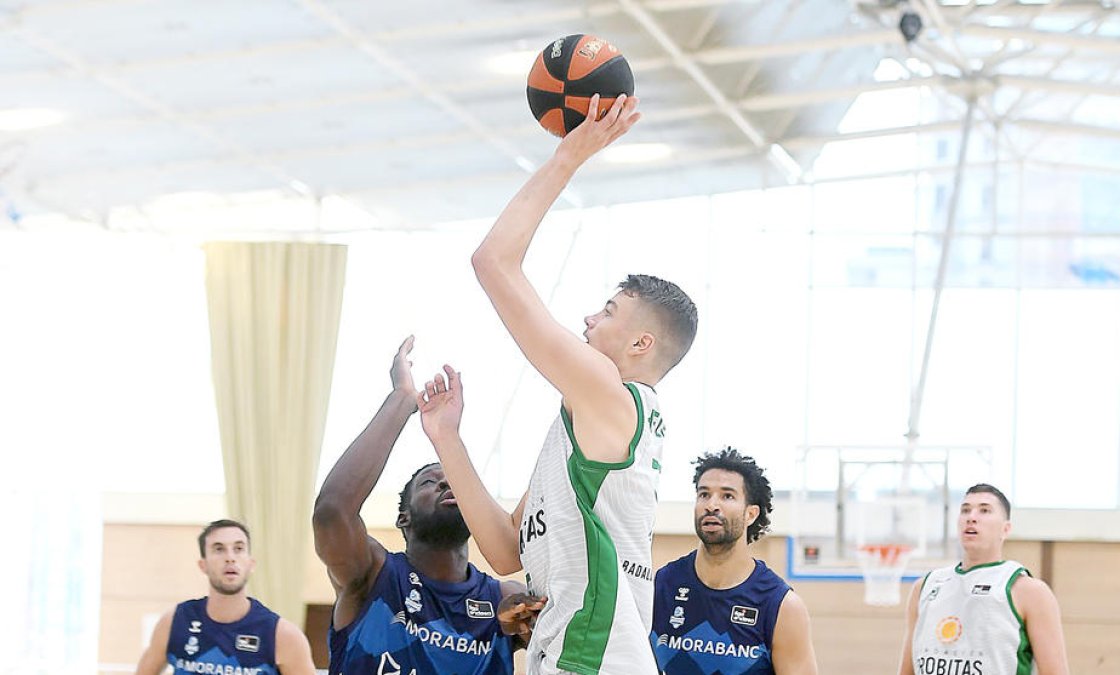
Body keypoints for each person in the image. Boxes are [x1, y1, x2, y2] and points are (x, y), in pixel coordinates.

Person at [418, 93, 699, 675]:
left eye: (609, 310)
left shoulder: (609, 393)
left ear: (641, 344)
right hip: (571, 656)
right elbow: (502, 550)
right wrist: (447, 437)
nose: (590, 319)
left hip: (594, 661)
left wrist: (569, 157)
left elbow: (493, 261)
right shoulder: (587, 430)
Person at [312, 337, 528, 675]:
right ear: (404, 518)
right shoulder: (372, 575)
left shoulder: (503, 599)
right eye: (430, 481)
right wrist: (401, 400)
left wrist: (533, 620)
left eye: (453, 480)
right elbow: (332, 512)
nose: (446, 482)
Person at [651, 448, 818, 675]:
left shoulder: (781, 606)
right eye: (704, 494)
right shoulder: (662, 585)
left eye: (727, 495)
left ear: (751, 514)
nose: (711, 504)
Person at [899, 484, 1070, 675]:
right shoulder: (925, 586)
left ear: (1005, 529)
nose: (971, 517)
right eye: (965, 510)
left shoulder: (1029, 591)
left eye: (984, 510)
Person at [134, 519, 316, 675]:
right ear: (203, 565)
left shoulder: (282, 634)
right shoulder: (174, 622)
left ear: (250, 563)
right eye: (219, 549)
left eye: (238, 548)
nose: (230, 557)